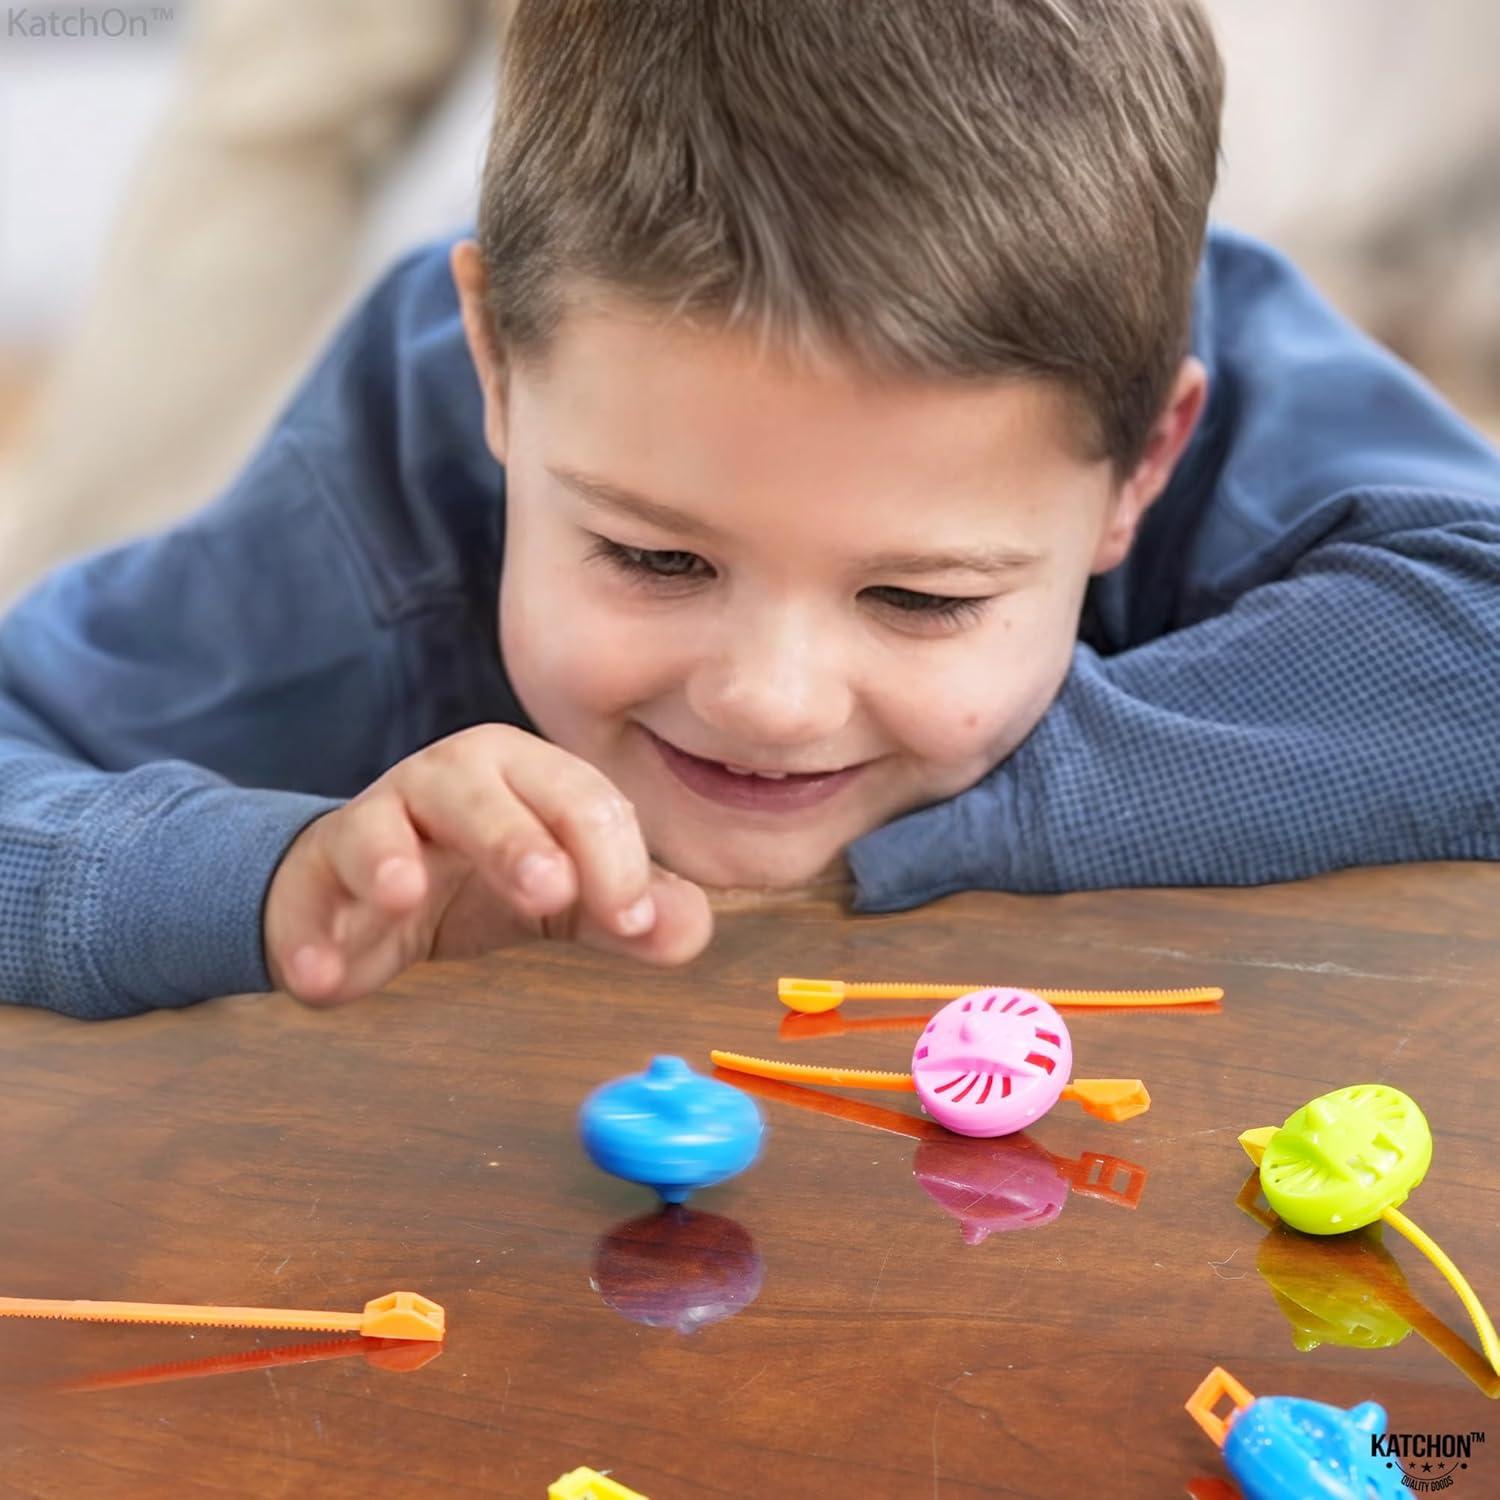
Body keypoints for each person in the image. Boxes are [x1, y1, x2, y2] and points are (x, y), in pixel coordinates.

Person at [1, 0, 1497, 1022]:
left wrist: (969, 827)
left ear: (1146, 465)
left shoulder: (1172, 353)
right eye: (655, 556)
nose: (772, 706)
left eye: (921, 598)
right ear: (499, 377)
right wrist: (270, 881)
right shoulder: (397, 480)